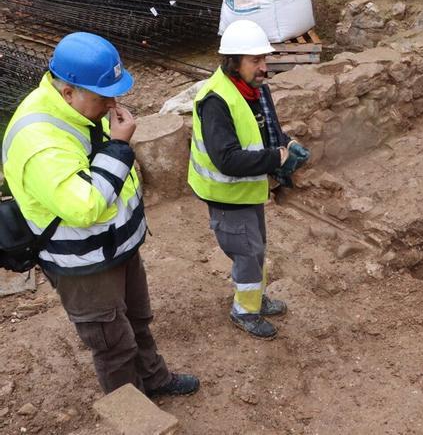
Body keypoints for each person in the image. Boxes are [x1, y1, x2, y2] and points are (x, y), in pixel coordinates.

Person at [1, 32, 199, 396]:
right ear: (68, 92)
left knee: (137, 321)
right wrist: (119, 147)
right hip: (85, 264)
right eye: (103, 95)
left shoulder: (79, 110)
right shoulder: (39, 140)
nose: (113, 102)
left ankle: (154, 380)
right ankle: (131, 413)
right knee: (113, 345)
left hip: (115, 248)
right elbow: (85, 207)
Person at [188, 20, 309, 340]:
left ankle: (255, 297)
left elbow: (265, 132)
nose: (264, 67)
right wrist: (276, 159)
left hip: (248, 189)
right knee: (246, 251)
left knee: (256, 249)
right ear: (234, 62)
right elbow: (225, 159)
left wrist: (288, 144)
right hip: (226, 195)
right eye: (256, 61)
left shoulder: (254, 90)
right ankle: (244, 311)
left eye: (264, 60)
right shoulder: (216, 101)